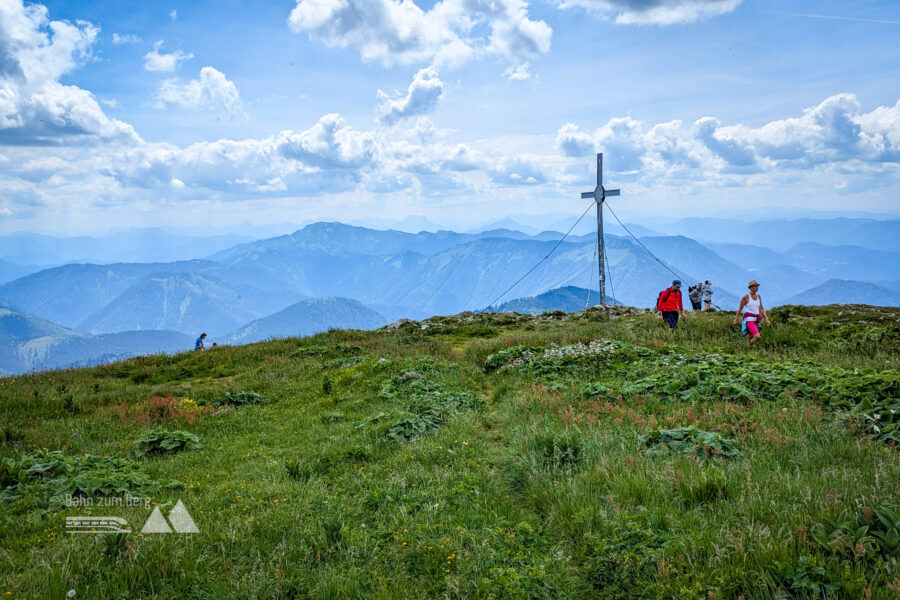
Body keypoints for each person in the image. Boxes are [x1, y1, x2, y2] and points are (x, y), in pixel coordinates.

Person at [733, 280, 770, 345]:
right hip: (749, 320)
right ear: (751, 288)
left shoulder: (758, 296)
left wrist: (766, 318)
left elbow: (761, 308)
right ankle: (747, 347)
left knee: (751, 337)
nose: (757, 287)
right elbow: (740, 309)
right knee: (757, 336)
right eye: (755, 286)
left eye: (757, 286)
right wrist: (736, 319)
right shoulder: (746, 297)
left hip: (756, 320)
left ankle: (747, 350)